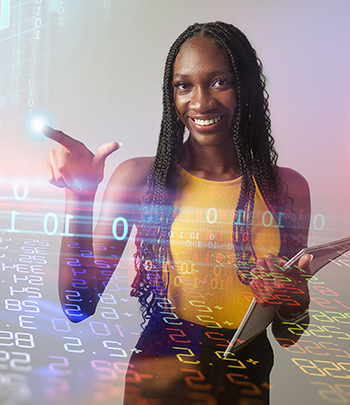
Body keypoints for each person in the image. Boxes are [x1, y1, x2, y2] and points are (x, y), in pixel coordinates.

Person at [43, 21, 311, 405]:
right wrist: (80, 196)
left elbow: (289, 334)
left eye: (220, 82)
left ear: (247, 87)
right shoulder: (141, 179)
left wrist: (295, 297)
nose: (200, 102)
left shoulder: (288, 189)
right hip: (161, 382)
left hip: (248, 384)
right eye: (184, 85)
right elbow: (77, 305)